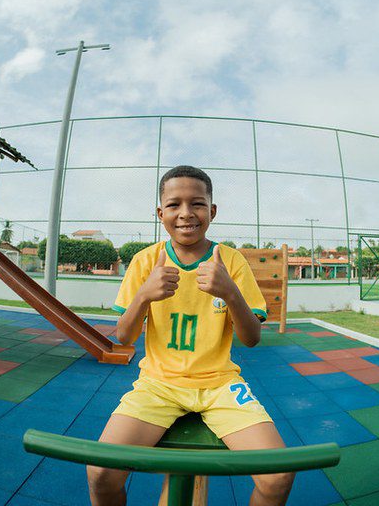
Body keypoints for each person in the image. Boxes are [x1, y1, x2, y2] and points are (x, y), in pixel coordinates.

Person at [87, 166, 294, 506]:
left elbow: (252, 338)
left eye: (197, 203)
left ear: (211, 211)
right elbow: (123, 339)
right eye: (174, 205)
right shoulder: (145, 262)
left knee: (279, 475)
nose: (186, 213)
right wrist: (143, 297)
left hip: (219, 385)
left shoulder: (230, 261)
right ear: (160, 213)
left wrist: (230, 294)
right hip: (158, 384)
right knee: (100, 473)